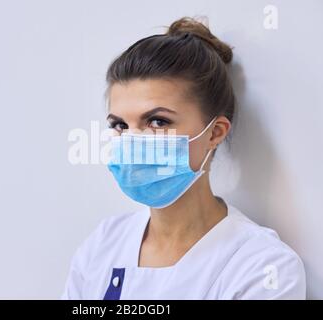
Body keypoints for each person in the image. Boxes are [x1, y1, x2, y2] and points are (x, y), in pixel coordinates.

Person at [61, 16, 306, 300]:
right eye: (120, 126)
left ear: (214, 132)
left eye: (157, 122)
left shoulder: (262, 267)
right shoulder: (102, 245)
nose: (132, 142)